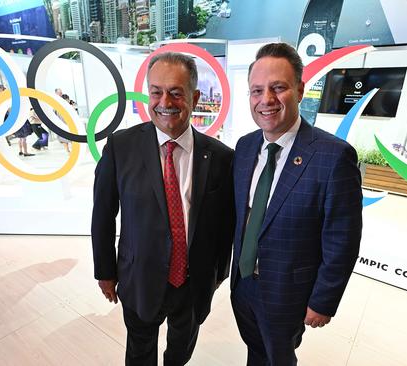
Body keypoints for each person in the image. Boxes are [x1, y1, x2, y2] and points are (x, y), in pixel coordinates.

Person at [91, 52, 235, 366]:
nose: (164, 101)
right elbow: (102, 214)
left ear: (195, 97)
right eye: (156, 91)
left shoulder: (222, 157)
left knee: (180, 351)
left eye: (176, 92)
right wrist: (105, 272)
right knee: (140, 351)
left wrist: (217, 274)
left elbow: (226, 226)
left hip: (193, 282)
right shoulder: (120, 147)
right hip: (139, 277)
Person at [230, 43, 363, 366]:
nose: (266, 100)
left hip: (289, 293)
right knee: (256, 352)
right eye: (257, 90)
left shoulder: (333, 156)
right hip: (244, 283)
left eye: (278, 87)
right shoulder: (245, 147)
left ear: (300, 90)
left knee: (279, 358)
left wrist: (324, 300)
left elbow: (342, 239)